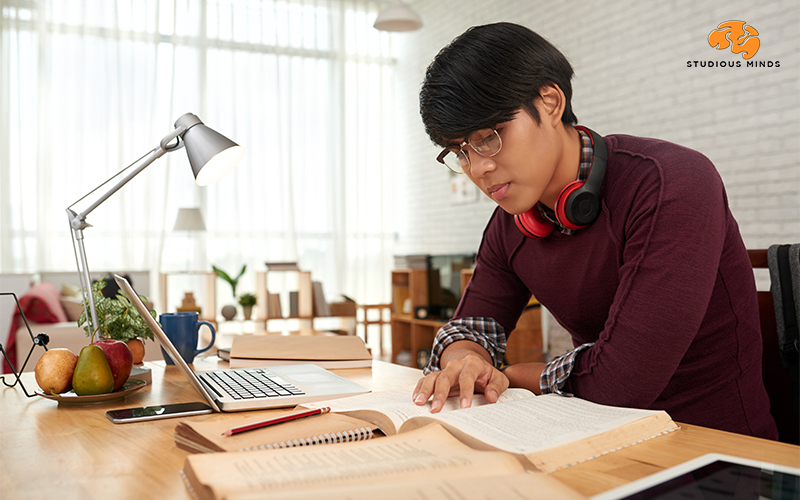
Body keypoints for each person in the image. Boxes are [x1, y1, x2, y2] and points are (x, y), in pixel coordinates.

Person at [411, 22, 777, 440]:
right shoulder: (511, 222)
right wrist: (466, 360)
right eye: (460, 151)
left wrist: (509, 374)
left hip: (717, 453)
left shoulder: (671, 183)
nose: (478, 168)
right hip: (595, 436)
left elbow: (620, 383)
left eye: (488, 137)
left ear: (549, 102)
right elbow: (473, 325)